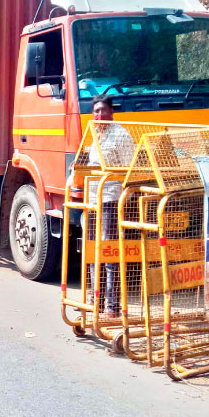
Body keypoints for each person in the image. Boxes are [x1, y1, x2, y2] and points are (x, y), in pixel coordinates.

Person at [85, 96, 134, 318]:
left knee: (109, 252)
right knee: (92, 251)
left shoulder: (121, 135)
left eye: (103, 111)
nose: (99, 115)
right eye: (96, 111)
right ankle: (94, 301)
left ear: (111, 112)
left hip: (111, 200)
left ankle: (112, 306)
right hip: (92, 200)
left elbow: (130, 169)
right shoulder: (95, 132)